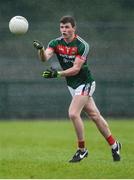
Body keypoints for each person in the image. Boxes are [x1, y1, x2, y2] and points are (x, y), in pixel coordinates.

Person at [33, 15, 121, 163]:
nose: (64, 30)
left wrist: (57, 73)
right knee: (94, 116)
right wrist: (41, 49)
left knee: (73, 114)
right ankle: (114, 144)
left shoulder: (82, 45)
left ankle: (82, 150)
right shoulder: (55, 43)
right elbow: (44, 58)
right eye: (62, 27)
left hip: (85, 82)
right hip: (72, 85)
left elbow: (75, 69)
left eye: (67, 27)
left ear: (74, 28)